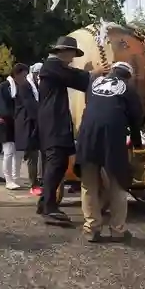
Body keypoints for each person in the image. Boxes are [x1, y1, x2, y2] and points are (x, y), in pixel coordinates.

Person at [75, 61, 143, 243]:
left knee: (88, 184)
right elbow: (137, 120)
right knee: (118, 183)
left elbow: (93, 109)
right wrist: (137, 144)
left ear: (112, 71)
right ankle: (118, 230)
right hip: (112, 138)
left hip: (87, 136)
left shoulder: (94, 83)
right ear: (128, 76)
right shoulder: (129, 90)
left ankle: (91, 228)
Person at [38, 36, 101, 225]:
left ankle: (45, 202)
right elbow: (75, 77)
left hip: (56, 122)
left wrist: (88, 73)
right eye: (72, 54)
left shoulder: (55, 67)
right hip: (52, 123)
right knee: (56, 162)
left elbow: (72, 74)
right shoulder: (51, 66)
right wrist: (94, 74)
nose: (73, 58)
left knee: (59, 161)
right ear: (64, 51)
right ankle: (49, 206)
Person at [0, 65, 26, 190]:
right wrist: (14, 116)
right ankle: (8, 180)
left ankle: (16, 177)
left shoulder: (22, 87)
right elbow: (2, 107)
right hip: (5, 123)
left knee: (18, 152)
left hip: (18, 123)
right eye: (23, 75)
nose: (24, 78)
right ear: (17, 74)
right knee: (8, 152)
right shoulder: (4, 86)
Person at [15, 63, 41, 196]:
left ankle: (39, 181)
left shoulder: (37, 85)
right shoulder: (25, 85)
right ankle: (33, 184)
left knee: (37, 155)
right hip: (28, 124)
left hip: (36, 123)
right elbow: (30, 106)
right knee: (32, 155)